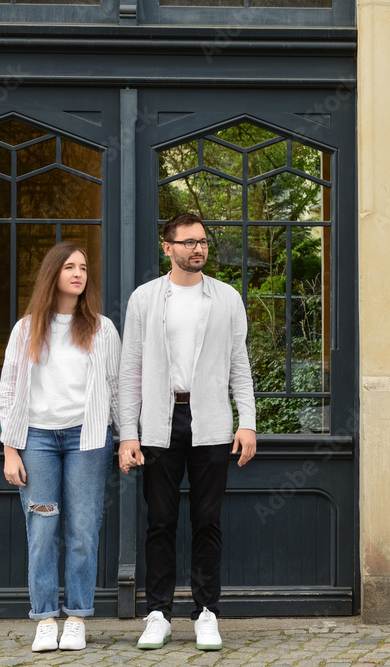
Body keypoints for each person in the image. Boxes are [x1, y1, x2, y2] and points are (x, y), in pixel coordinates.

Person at [118, 212, 256, 651]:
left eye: (203, 242)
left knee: (207, 521)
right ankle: (157, 613)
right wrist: (128, 433)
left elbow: (240, 365)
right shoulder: (144, 299)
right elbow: (129, 371)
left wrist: (247, 421)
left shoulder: (227, 298)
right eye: (189, 242)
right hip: (160, 421)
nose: (198, 248)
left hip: (211, 422)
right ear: (168, 248)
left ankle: (206, 613)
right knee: (160, 522)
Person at [0, 242, 120, 652]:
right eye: (69, 266)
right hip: (36, 441)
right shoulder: (26, 328)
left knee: (83, 530)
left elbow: (116, 389)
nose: (78, 273)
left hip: (87, 439)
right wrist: (10, 449)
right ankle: (45, 617)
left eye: (83, 267)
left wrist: (127, 439)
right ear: (53, 274)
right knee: (42, 529)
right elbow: (9, 390)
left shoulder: (101, 328)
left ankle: (77, 618)